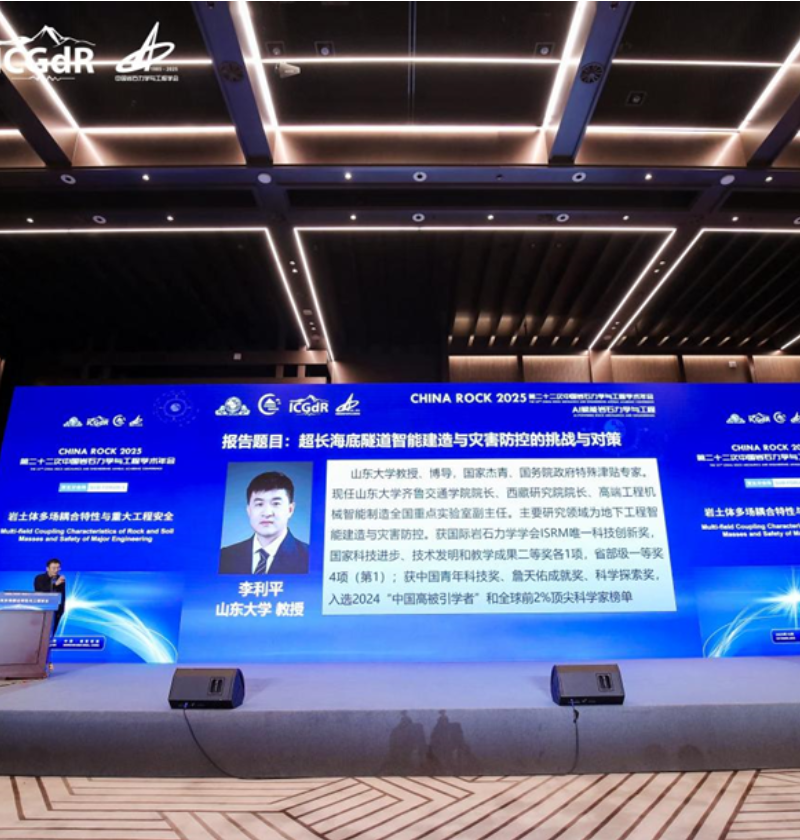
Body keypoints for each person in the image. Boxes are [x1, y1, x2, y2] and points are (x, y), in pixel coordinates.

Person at [219, 472, 310, 575]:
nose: (267, 513)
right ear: (249, 510)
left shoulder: (310, 557)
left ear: (290, 510)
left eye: (276, 503)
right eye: (259, 504)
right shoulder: (225, 557)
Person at [33, 559, 66, 634]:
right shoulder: (39, 578)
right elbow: (40, 591)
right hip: (43, 609)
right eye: (54, 568)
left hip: (56, 610)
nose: (56, 570)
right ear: (47, 568)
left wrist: (62, 610)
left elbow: (62, 595)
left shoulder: (60, 579)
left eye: (58, 568)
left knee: (53, 632)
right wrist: (55, 585)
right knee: (42, 632)